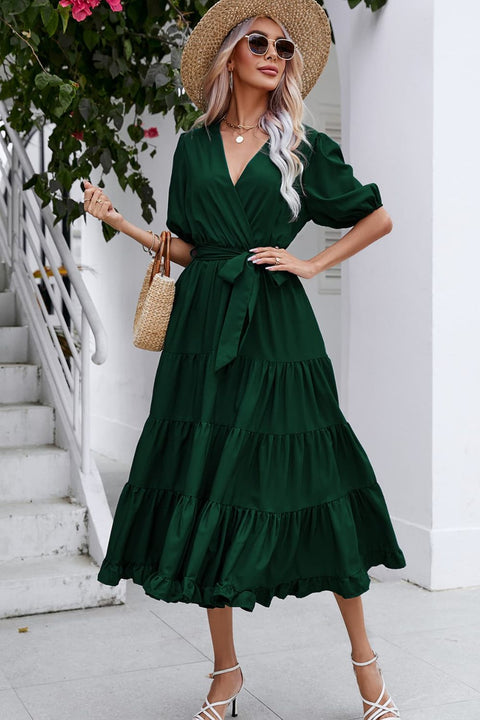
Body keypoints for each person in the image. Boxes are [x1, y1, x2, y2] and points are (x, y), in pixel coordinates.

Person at [83, 0, 406, 718]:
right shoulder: (193, 147)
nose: (272, 56)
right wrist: (121, 223)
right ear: (229, 55)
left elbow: (377, 216)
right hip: (203, 329)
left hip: (278, 329)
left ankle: (366, 663)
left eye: (284, 49)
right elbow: (191, 247)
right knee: (209, 482)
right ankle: (225, 672)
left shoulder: (301, 146)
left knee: (318, 478)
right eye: (258, 42)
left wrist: (313, 263)